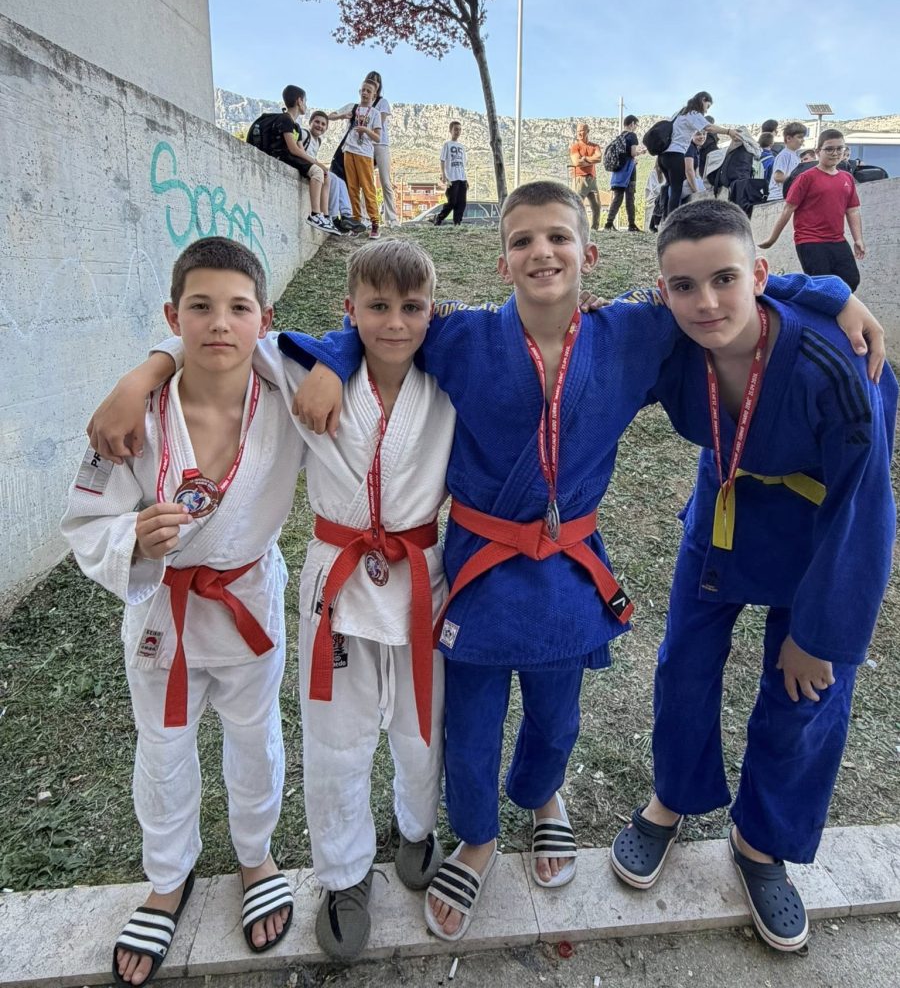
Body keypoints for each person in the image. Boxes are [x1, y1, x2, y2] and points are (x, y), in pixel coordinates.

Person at [286, 181, 880, 944]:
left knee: (557, 712)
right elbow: (385, 329)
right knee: (468, 720)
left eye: (558, 237)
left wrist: (832, 292)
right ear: (502, 261)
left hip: (568, 568)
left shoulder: (632, 330)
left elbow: (730, 285)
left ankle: (544, 798)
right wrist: (333, 357)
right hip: (480, 568)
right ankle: (477, 837)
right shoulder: (460, 336)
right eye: (523, 240)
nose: (542, 252)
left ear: (589, 253)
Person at [83, 242, 458, 965]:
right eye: (375, 308)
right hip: (327, 583)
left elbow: (234, 330)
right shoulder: (292, 371)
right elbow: (221, 337)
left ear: (431, 312)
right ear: (349, 312)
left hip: (414, 576)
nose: (395, 322)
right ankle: (342, 875)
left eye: (412, 308)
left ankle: (414, 829)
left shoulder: (444, 373)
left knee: (421, 724)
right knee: (330, 738)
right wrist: (142, 374)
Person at [610, 198, 896, 954]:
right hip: (726, 507)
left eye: (725, 280)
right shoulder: (670, 341)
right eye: (683, 286)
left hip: (818, 529)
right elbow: (577, 328)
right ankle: (674, 795)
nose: (706, 302)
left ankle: (761, 841)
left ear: (760, 275)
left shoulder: (833, 364)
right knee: (684, 661)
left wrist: (820, 634)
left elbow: (864, 507)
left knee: (806, 689)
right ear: (663, 290)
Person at [62, 238, 300, 985]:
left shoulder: (289, 389)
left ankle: (256, 858)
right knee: (162, 745)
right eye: (200, 307)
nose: (219, 323)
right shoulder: (135, 416)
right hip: (164, 613)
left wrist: (148, 364)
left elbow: (367, 344)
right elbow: (85, 520)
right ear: (173, 316)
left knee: (255, 736)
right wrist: (131, 538)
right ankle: (167, 880)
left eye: (238, 308)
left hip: (247, 601)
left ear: (264, 319)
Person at [760, 129, 865, 290]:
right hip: (810, 240)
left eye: (839, 148)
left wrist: (858, 239)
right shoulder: (805, 178)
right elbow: (788, 209)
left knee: (851, 280)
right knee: (822, 285)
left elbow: (852, 210)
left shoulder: (847, 178)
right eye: (829, 149)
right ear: (818, 151)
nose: (835, 153)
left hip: (837, 239)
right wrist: (772, 239)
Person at [660, 94, 740, 218]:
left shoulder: (680, 113)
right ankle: (672, 222)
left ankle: (667, 220)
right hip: (675, 154)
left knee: (671, 189)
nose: (706, 111)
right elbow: (709, 127)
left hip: (663, 156)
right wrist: (729, 131)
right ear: (703, 100)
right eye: (707, 106)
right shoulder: (693, 113)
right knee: (676, 191)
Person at [328, 79, 383, 239]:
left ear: (374, 95)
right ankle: (356, 223)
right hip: (348, 150)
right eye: (363, 90)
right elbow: (330, 116)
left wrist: (366, 130)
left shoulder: (375, 113)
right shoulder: (353, 108)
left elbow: (378, 137)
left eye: (369, 91)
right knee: (352, 188)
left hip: (365, 153)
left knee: (367, 187)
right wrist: (342, 116)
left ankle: (375, 223)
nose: (365, 93)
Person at [366, 70, 399, 226]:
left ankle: (391, 218)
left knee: (385, 181)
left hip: (381, 144)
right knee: (366, 181)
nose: (374, 82)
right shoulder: (363, 104)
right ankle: (366, 217)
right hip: (366, 145)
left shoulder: (382, 102)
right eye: (371, 79)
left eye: (377, 80)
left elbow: (380, 121)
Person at [605, 115, 643, 231]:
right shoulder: (632, 136)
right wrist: (641, 152)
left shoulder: (620, 137)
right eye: (636, 125)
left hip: (618, 171)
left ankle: (608, 223)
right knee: (630, 197)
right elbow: (633, 153)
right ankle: (631, 224)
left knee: (618, 197)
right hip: (629, 171)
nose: (636, 127)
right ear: (632, 124)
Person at [303, 111, 337, 233]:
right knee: (319, 172)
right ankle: (315, 214)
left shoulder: (318, 141)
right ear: (310, 122)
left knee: (327, 176)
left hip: (310, 165)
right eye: (317, 122)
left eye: (323, 124)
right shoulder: (304, 133)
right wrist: (319, 165)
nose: (320, 126)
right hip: (301, 163)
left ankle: (326, 216)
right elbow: (299, 151)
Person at [569, 122, 603, 230]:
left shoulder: (595, 146)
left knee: (596, 205)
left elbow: (599, 158)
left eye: (582, 131)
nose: (579, 133)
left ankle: (594, 228)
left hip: (592, 179)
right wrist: (591, 160)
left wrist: (585, 159)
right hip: (579, 179)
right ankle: (576, 228)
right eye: (578, 131)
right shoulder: (575, 147)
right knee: (576, 205)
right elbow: (576, 162)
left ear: (588, 131)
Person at [434, 120, 469, 226]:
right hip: (452, 178)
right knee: (452, 201)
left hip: (462, 178)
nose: (458, 132)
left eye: (459, 130)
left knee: (462, 202)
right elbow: (442, 160)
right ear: (450, 131)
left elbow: (463, 165)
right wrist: (444, 175)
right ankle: (439, 217)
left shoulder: (462, 146)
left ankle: (457, 223)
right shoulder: (447, 145)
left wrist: (466, 179)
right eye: (455, 129)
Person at [768, 123, 808, 203]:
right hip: (778, 197)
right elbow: (778, 177)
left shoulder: (796, 157)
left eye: (803, 137)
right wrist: (798, 180)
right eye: (799, 137)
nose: (802, 140)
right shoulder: (784, 155)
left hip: (788, 196)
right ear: (788, 138)